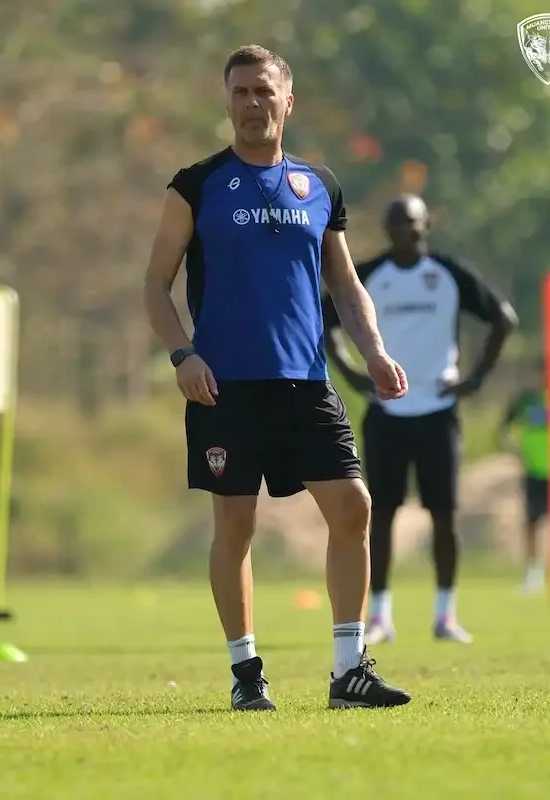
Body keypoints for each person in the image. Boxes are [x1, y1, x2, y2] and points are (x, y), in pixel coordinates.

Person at [143, 44, 411, 710]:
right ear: (226, 101)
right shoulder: (196, 184)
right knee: (235, 527)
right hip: (223, 387)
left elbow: (345, 285)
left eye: (264, 91)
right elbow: (154, 285)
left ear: (288, 101)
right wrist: (184, 355)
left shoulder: (318, 186)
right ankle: (246, 674)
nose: (252, 103)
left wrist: (374, 349)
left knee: (354, 509)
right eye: (240, 92)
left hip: (306, 383)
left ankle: (348, 671)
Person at [323, 195, 517, 646]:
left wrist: (472, 381)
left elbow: (503, 319)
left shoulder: (448, 275)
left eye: (412, 223)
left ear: (425, 224)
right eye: (395, 224)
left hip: (437, 413)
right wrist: (353, 372)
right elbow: (324, 318)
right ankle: (380, 617)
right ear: (387, 229)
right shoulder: (370, 274)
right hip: (387, 414)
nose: (405, 231)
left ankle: (445, 614)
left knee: (444, 516)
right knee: (381, 514)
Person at [499, 358, 547, 593]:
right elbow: (504, 428)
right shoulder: (526, 401)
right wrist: (515, 450)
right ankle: (532, 573)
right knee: (532, 523)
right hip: (535, 471)